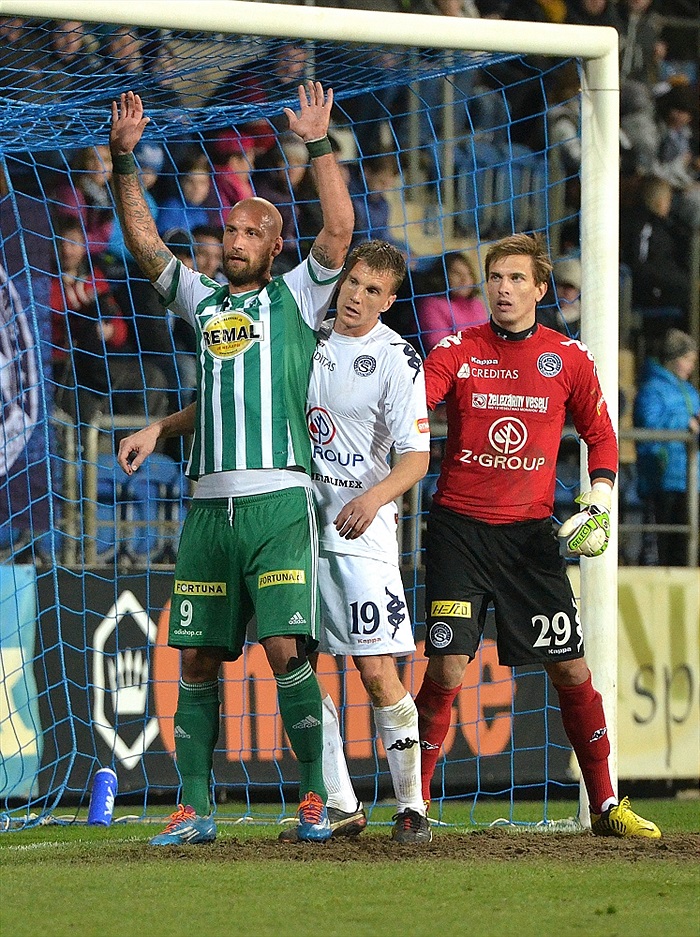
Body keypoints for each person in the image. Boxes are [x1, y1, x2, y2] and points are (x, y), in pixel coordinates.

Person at [117, 240, 434, 844]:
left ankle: (412, 804)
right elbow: (227, 400)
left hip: (358, 533)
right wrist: (162, 425)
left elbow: (417, 457)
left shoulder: (397, 358)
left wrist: (372, 499)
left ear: (389, 301)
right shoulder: (302, 331)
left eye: (372, 291)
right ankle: (338, 804)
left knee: (374, 671)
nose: (356, 299)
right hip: (293, 523)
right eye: (353, 284)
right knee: (297, 665)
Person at [109, 83, 354, 845]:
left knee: (285, 649)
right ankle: (195, 808)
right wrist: (124, 162)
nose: (236, 235)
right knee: (199, 659)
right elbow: (147, 244)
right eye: (232, 227)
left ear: (274, 245)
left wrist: (316, 144)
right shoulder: (205, 301)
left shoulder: (297, 297)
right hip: (208, 510)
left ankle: (316, 796)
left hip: (280, 502)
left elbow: (340, 230)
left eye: (252, 228)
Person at [414, 232, 661, 839]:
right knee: (447, 668)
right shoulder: (456, 348)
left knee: (572, 671)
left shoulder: (566, 358)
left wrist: (598, 501)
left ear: (540, 289)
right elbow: (414, 407)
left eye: (517, 278)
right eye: (496, 277)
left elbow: (602, 437)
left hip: (530, 539)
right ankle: (413, 802)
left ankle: (605, 804)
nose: (503, 288)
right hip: (459, 532)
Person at [633, 329, 699, 567]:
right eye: (687, 359)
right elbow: (649, 423)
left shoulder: (689, 391)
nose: (691, 366)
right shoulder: (652, 388)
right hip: (662, 476)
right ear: (673, 359)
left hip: (690, 478)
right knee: (663, 541)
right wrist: (685, 424)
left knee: (686, 541)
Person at [416, 251, 488, 353]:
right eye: (457, 274)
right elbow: (439, 344)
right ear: (442, 275)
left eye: (468, 274)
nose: (465, 279)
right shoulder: (431, 304)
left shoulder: (476, 304)